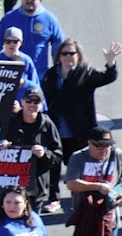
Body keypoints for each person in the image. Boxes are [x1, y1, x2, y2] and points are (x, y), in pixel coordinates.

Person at [44, 41, 120, 182]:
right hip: (57, 129)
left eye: (72, 53)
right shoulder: (51, 75)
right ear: (59, 56)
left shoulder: (86, 73)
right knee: (53, 165)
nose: (68, 56)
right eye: (64, 53)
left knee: (80, 168)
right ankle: (53, 198)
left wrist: (110, 63)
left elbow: (108, 77)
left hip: (79, 130)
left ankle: (82, 198)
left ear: (78, 55)